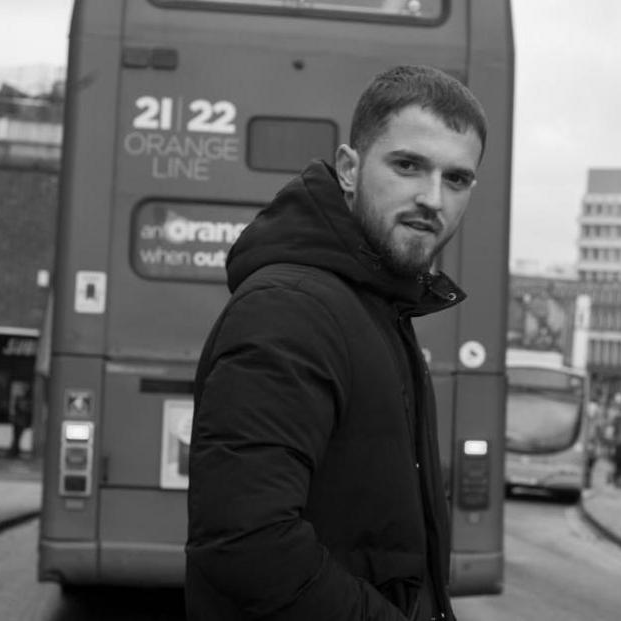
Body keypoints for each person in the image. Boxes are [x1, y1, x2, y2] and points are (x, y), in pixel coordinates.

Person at [185, 65, 486, 621]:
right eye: (408, 165)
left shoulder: (376, 307)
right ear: (349, 168)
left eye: (457, 179)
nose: (433, 199)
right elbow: (245, 546)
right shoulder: (290, 310)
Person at [6, 384, 33, 459]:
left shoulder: (21, 399)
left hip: (19, 421)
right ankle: (14, 451)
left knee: (16, 437)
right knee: (17, 437)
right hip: (20, 421)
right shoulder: (25, 400)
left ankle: (14, 451)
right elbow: (23, 409)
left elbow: (19, 408)